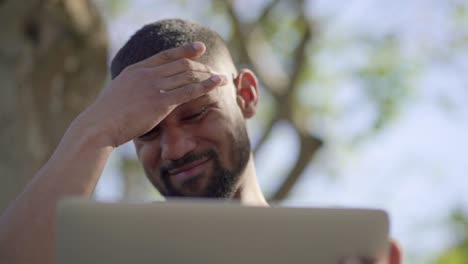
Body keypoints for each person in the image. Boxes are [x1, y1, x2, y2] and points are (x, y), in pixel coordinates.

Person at [0, 19, 401, 264]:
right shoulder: (112, 253)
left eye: (195, 114)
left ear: (246, 95)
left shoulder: (326, 255)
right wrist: (96, 128)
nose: (175, 148)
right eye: (147, 132)